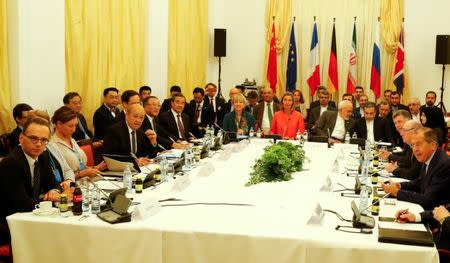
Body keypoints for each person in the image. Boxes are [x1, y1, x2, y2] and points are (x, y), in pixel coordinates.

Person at [0, 117, 67, 243]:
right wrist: (52, 200)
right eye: (34, 138)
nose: (38, 144)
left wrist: (55, 192)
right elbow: (22, 205)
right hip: (9, 223)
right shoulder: (12, 163)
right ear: (21, 138)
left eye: (44, 140)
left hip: (30, 216)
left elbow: (54, 184)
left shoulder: (42, 156)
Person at [381, 127, 450, 210]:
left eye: (418, 144)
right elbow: (420, 182)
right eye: (412, 145)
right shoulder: (429, 157)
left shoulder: (443, 165)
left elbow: (428, 199)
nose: (415, 150)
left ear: (433, 145)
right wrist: (399, 186)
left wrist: (397, 192)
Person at [51, 106, 105, 180]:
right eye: (70, 126)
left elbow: (81, 165)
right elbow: (60, 178)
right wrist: (83, 173)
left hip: (85, 181)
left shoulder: (72, 140)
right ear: (59, 124)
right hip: (71, 186)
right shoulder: (52, 145)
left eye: (75, 125)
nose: (74, 129)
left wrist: (94, 168)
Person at [28, 110, 76, 182]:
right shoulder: (31, 151)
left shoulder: (51, 145)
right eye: (38, 125)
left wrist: (68, 181)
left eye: (46, 125)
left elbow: (67, 169)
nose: (43, 128)